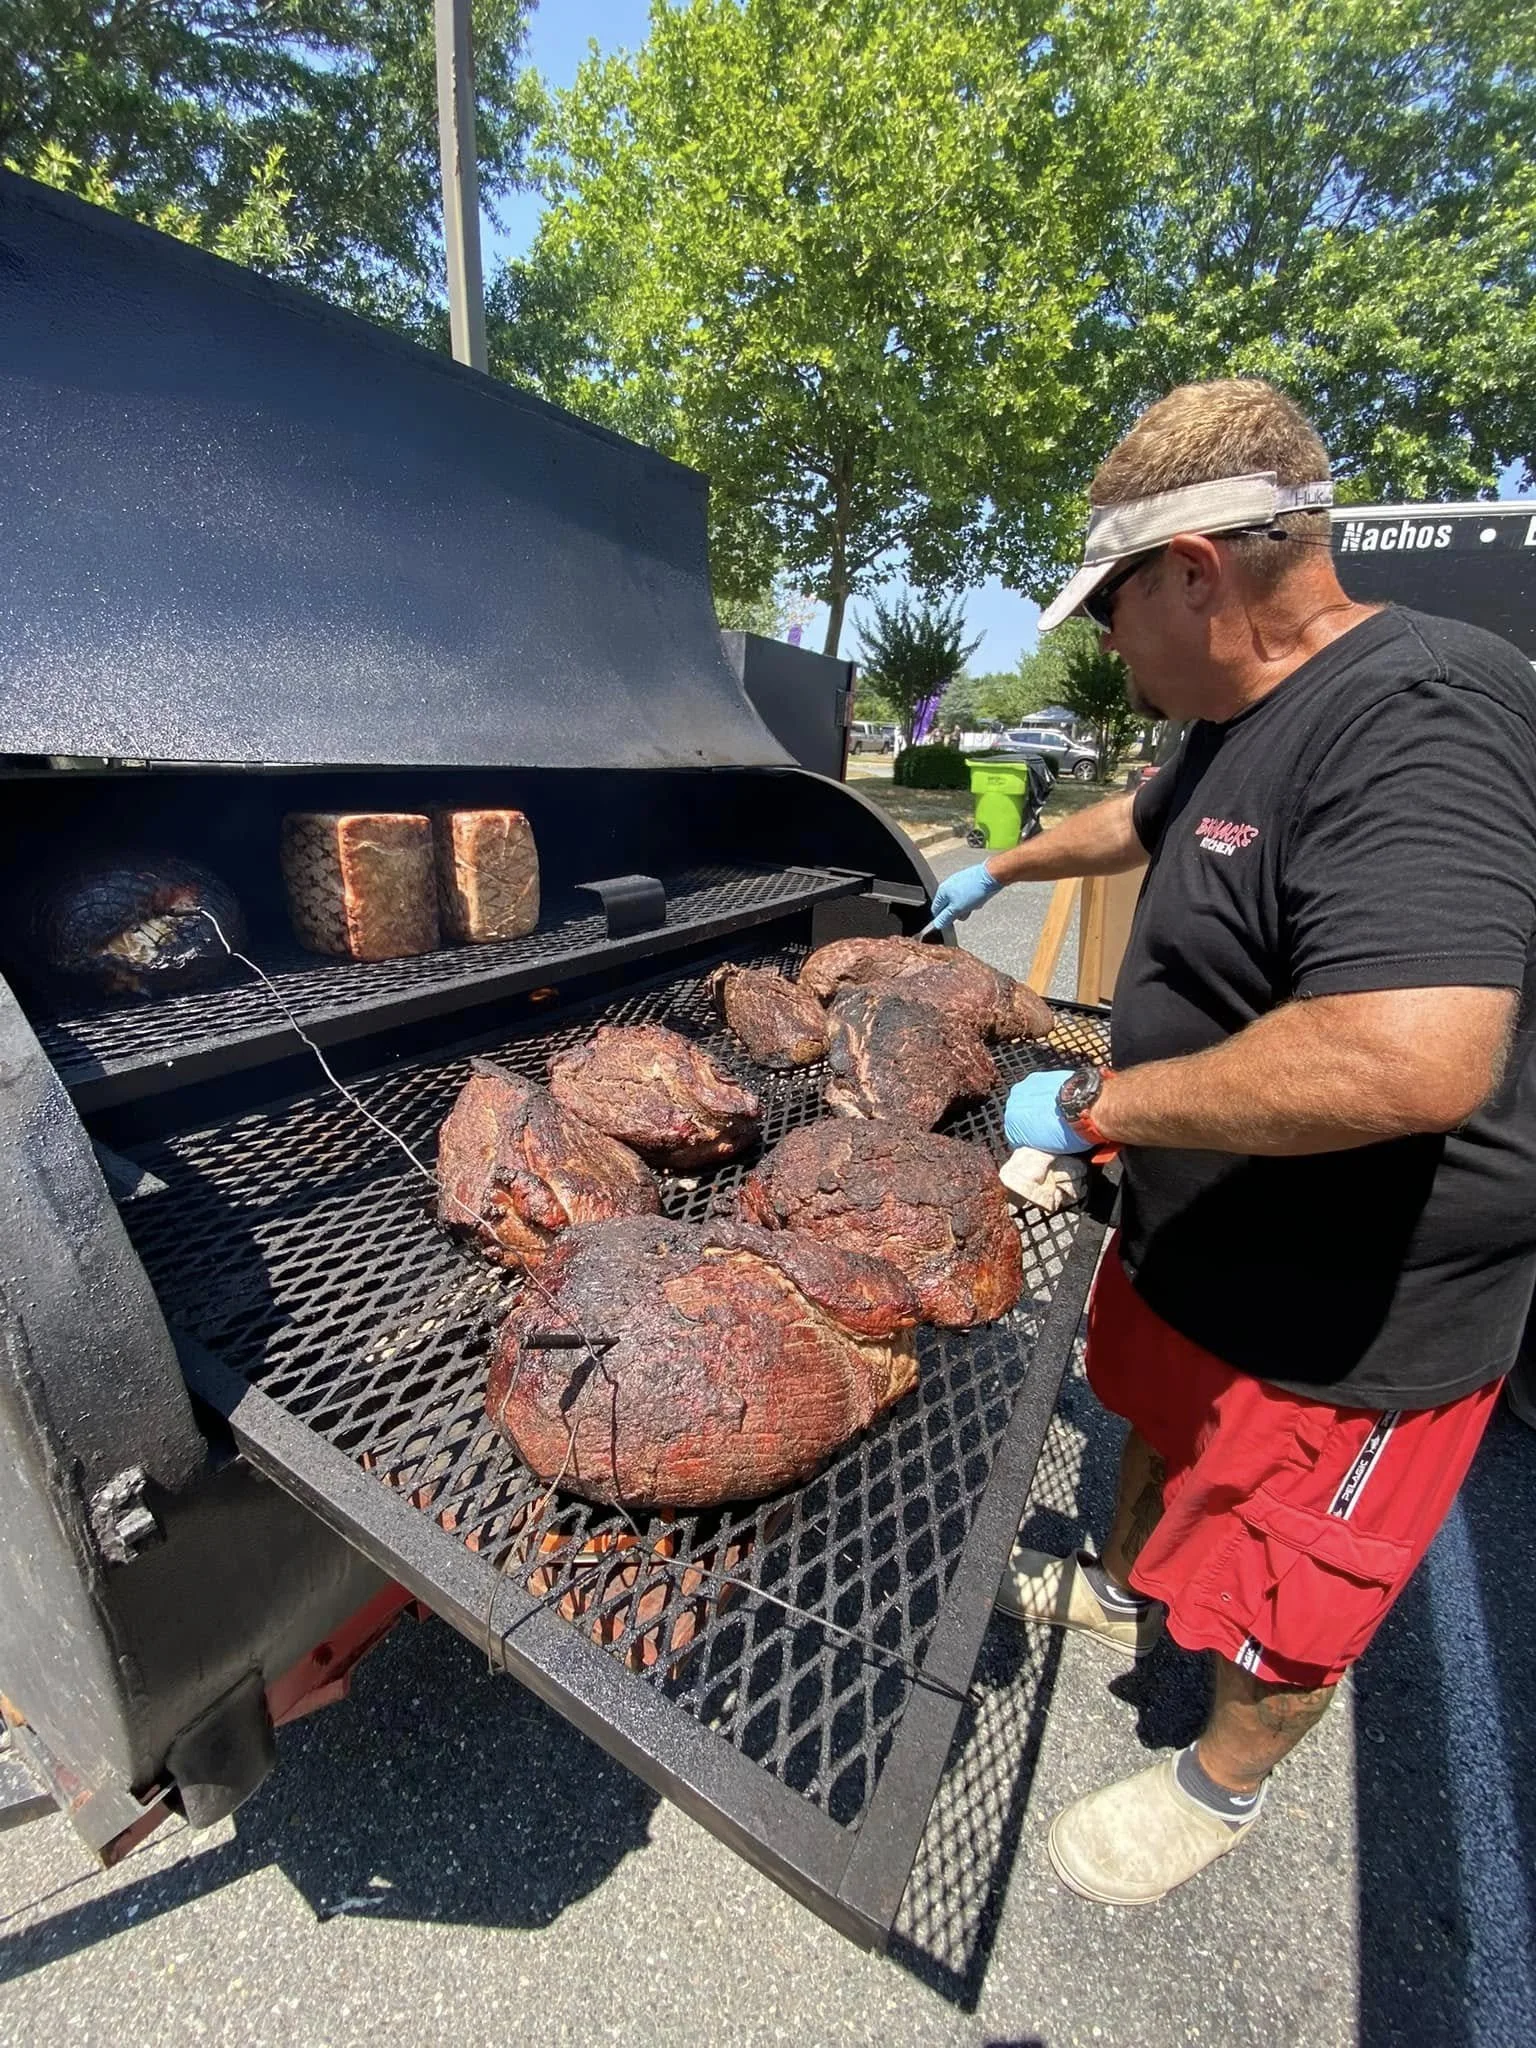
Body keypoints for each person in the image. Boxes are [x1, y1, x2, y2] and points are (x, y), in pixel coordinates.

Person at [928, 378, 1536, 1907]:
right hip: (1200, 1243)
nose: (1103, 646)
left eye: (1110, 608)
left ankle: (1221, 1783)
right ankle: (1132, 1586)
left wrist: (1091, 1107)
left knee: (1293, 1587)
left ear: (1193, 573)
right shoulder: (1226, 721)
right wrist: (986, 858)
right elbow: (1132, 829)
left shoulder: (1424, 712)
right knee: (1158, 1433)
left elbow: (1414, 1054)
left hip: (1361, 1310)